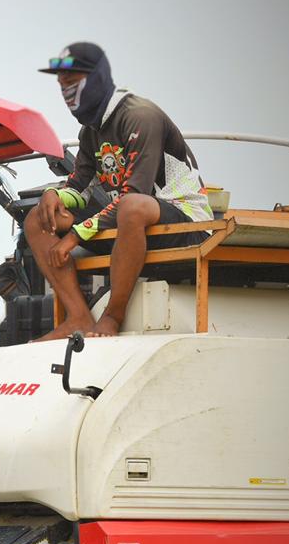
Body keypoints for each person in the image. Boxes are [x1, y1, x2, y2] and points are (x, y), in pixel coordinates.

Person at [30, 42, 213, 339]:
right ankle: (78, 317)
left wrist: (75, 236)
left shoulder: (140, 116)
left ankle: (113, 316)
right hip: (129, 229)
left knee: (132, 206)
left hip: (186, 222)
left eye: (72, 82)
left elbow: (133, 195)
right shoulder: (90, 131)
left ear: (98, 77)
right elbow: (80, 186)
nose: (65, 92)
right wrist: (55, 195)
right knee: (38, 217)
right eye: (61, 84)